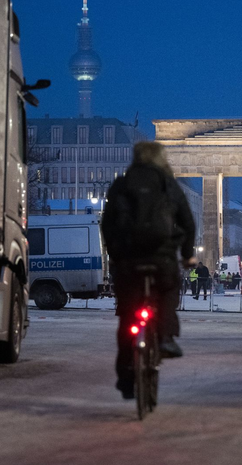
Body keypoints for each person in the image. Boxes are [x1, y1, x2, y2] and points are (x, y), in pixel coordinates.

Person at [102, 141, 197, 400]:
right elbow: (188, 223)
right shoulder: (168, 183)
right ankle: (165, 337)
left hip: (128, 260)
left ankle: (125, 377)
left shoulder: (122, 184)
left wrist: (115, 254)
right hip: (162, 256)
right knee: (168, 289)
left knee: (127, 318)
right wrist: (187, 255)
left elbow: (107, 223)